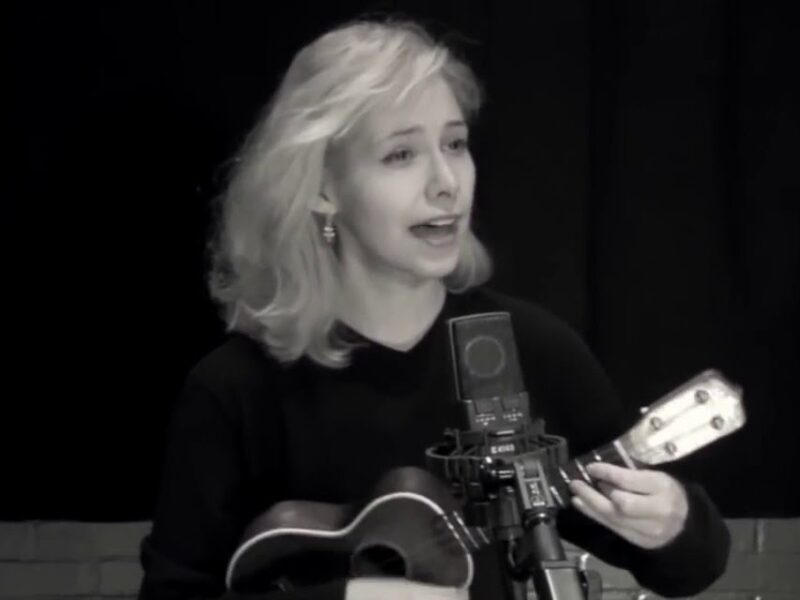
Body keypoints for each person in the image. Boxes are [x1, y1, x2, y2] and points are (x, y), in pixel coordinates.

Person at [138, 16, 730, 600]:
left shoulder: (530, 350)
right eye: (401, 155)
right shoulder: (234, 391)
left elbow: (690, 568)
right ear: (322, 189)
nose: (447, 182)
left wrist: (674, 523)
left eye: (455, 143)